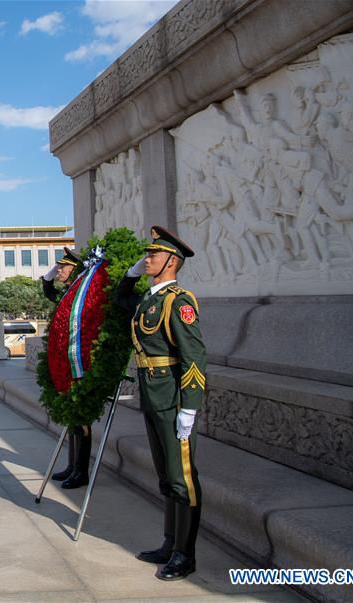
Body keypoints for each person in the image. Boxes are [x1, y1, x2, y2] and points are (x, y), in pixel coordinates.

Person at [115, 226, 207, 580]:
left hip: (172, 398)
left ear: (172, 261)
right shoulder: (149, 299)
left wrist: (189, 407)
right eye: (147, 254)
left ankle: (186, 554)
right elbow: (121, 302)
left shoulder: (179, 302)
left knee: (183, 478)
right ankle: (170, 544)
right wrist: (130, 276)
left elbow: (194, 357)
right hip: (152, 396)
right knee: (167, 476)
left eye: (152, 254)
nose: (147, 258)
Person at [41, 246, 92, 490]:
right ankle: (72, 466)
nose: (59, 270)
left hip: (79, 364)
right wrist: (53, 272)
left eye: (64, 266)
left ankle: (81, 471)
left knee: (81, 420)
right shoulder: (68, 294)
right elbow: (47, 289)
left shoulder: (82, 294)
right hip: (65, 363)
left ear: (76, 269)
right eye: (59, 266)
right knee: (72, 419)